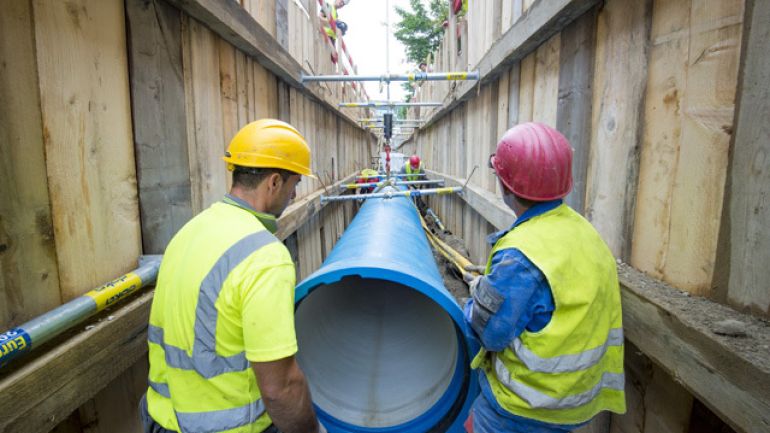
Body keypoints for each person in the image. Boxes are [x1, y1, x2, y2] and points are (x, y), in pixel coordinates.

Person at [140, 119, 326, 433]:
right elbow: (280, 388)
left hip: (162, 420)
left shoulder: (189, 232)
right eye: (295, 185)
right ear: (275, 182)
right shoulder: (265, 257)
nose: (294, 196)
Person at [462, 123, 626, 433]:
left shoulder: (521, 255)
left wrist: (474, 302)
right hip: (579, 402)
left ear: (505, 186)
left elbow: (492, 333)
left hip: (527, 406)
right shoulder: (585, 233)